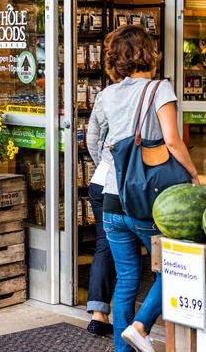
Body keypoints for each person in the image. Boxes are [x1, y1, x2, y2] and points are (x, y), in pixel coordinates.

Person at [87, 24, 200, 352]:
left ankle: (124, 349)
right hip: (147, 202)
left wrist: (110, 169)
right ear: (147, 53)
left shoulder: (106, 95)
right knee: (175, 270)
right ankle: (141, 325)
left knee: (126, 281)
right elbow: (173, 140)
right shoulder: (160, 88)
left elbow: (95, 140)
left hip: (112, 200)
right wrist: (194, 174)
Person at [83, 142, 115, 336]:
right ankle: (140, 323)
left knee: (104, 247)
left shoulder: (103, 108)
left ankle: (98, 314)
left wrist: (104, 162)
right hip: (122, 185)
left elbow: (93, 138)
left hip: (100, 179)